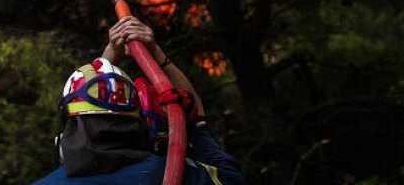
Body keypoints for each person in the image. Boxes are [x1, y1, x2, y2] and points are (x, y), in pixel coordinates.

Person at [32, 17, 246, 185]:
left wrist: (106, 61)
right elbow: (230, 178)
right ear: (136, 121)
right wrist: (156, 53)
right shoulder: (176, 173)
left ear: (69, 125)